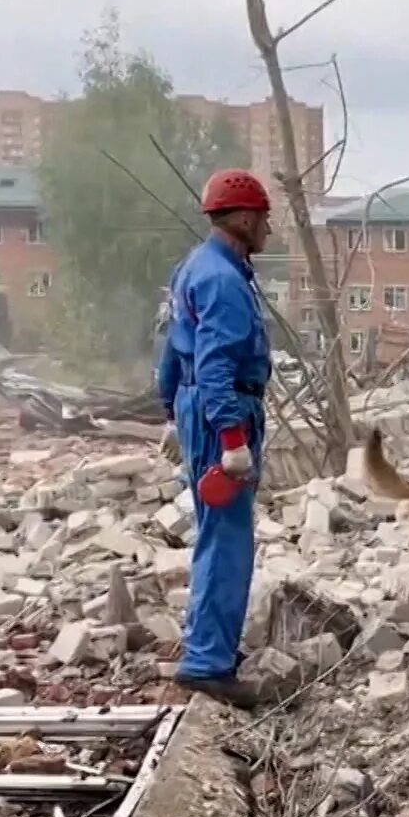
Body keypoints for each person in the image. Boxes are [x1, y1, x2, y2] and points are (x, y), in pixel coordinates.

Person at [155, 168, 276, 707]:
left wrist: (172, 407)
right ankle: (207, 663)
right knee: (227, 542)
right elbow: (215, 363)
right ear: (246, 218)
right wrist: (230, 439)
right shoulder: (225, 281)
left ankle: (210, 649)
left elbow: (171, 349)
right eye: (265, 220)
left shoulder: (196, 267)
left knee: (214, 534)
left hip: (197, 408)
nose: (268, 230)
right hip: (222, 411)